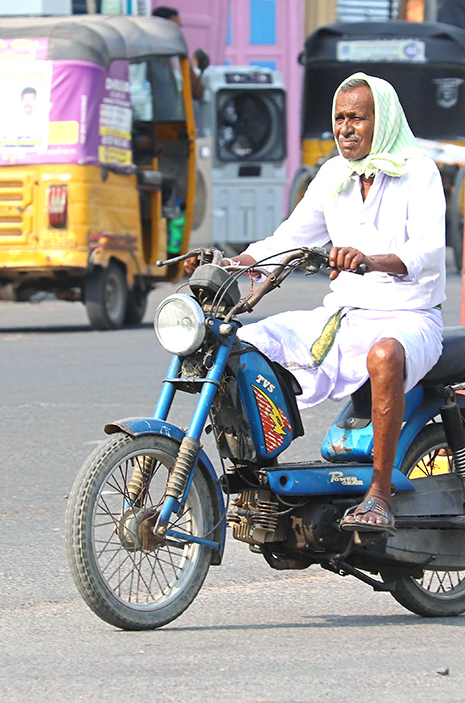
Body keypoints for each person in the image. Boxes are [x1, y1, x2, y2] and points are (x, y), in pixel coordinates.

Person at [185, 72, 446, 533]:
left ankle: (379, 495)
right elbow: (288, 238)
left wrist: (370, 260)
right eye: (340, 118)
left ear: (381, 121)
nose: (346, 128)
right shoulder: (333, 176)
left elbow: (427, 253)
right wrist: (234, 263)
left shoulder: (417, 170)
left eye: (358, 118)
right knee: (246, 342)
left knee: (384, 355)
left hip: (409, 318)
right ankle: (261, 474)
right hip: (344, 316)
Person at [152, 6, 204, 100]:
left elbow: (198, 93)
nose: (176, 33)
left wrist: (186, 62)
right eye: (172, 28)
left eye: (178, 28)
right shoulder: (145, 57)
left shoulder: (179, 58)